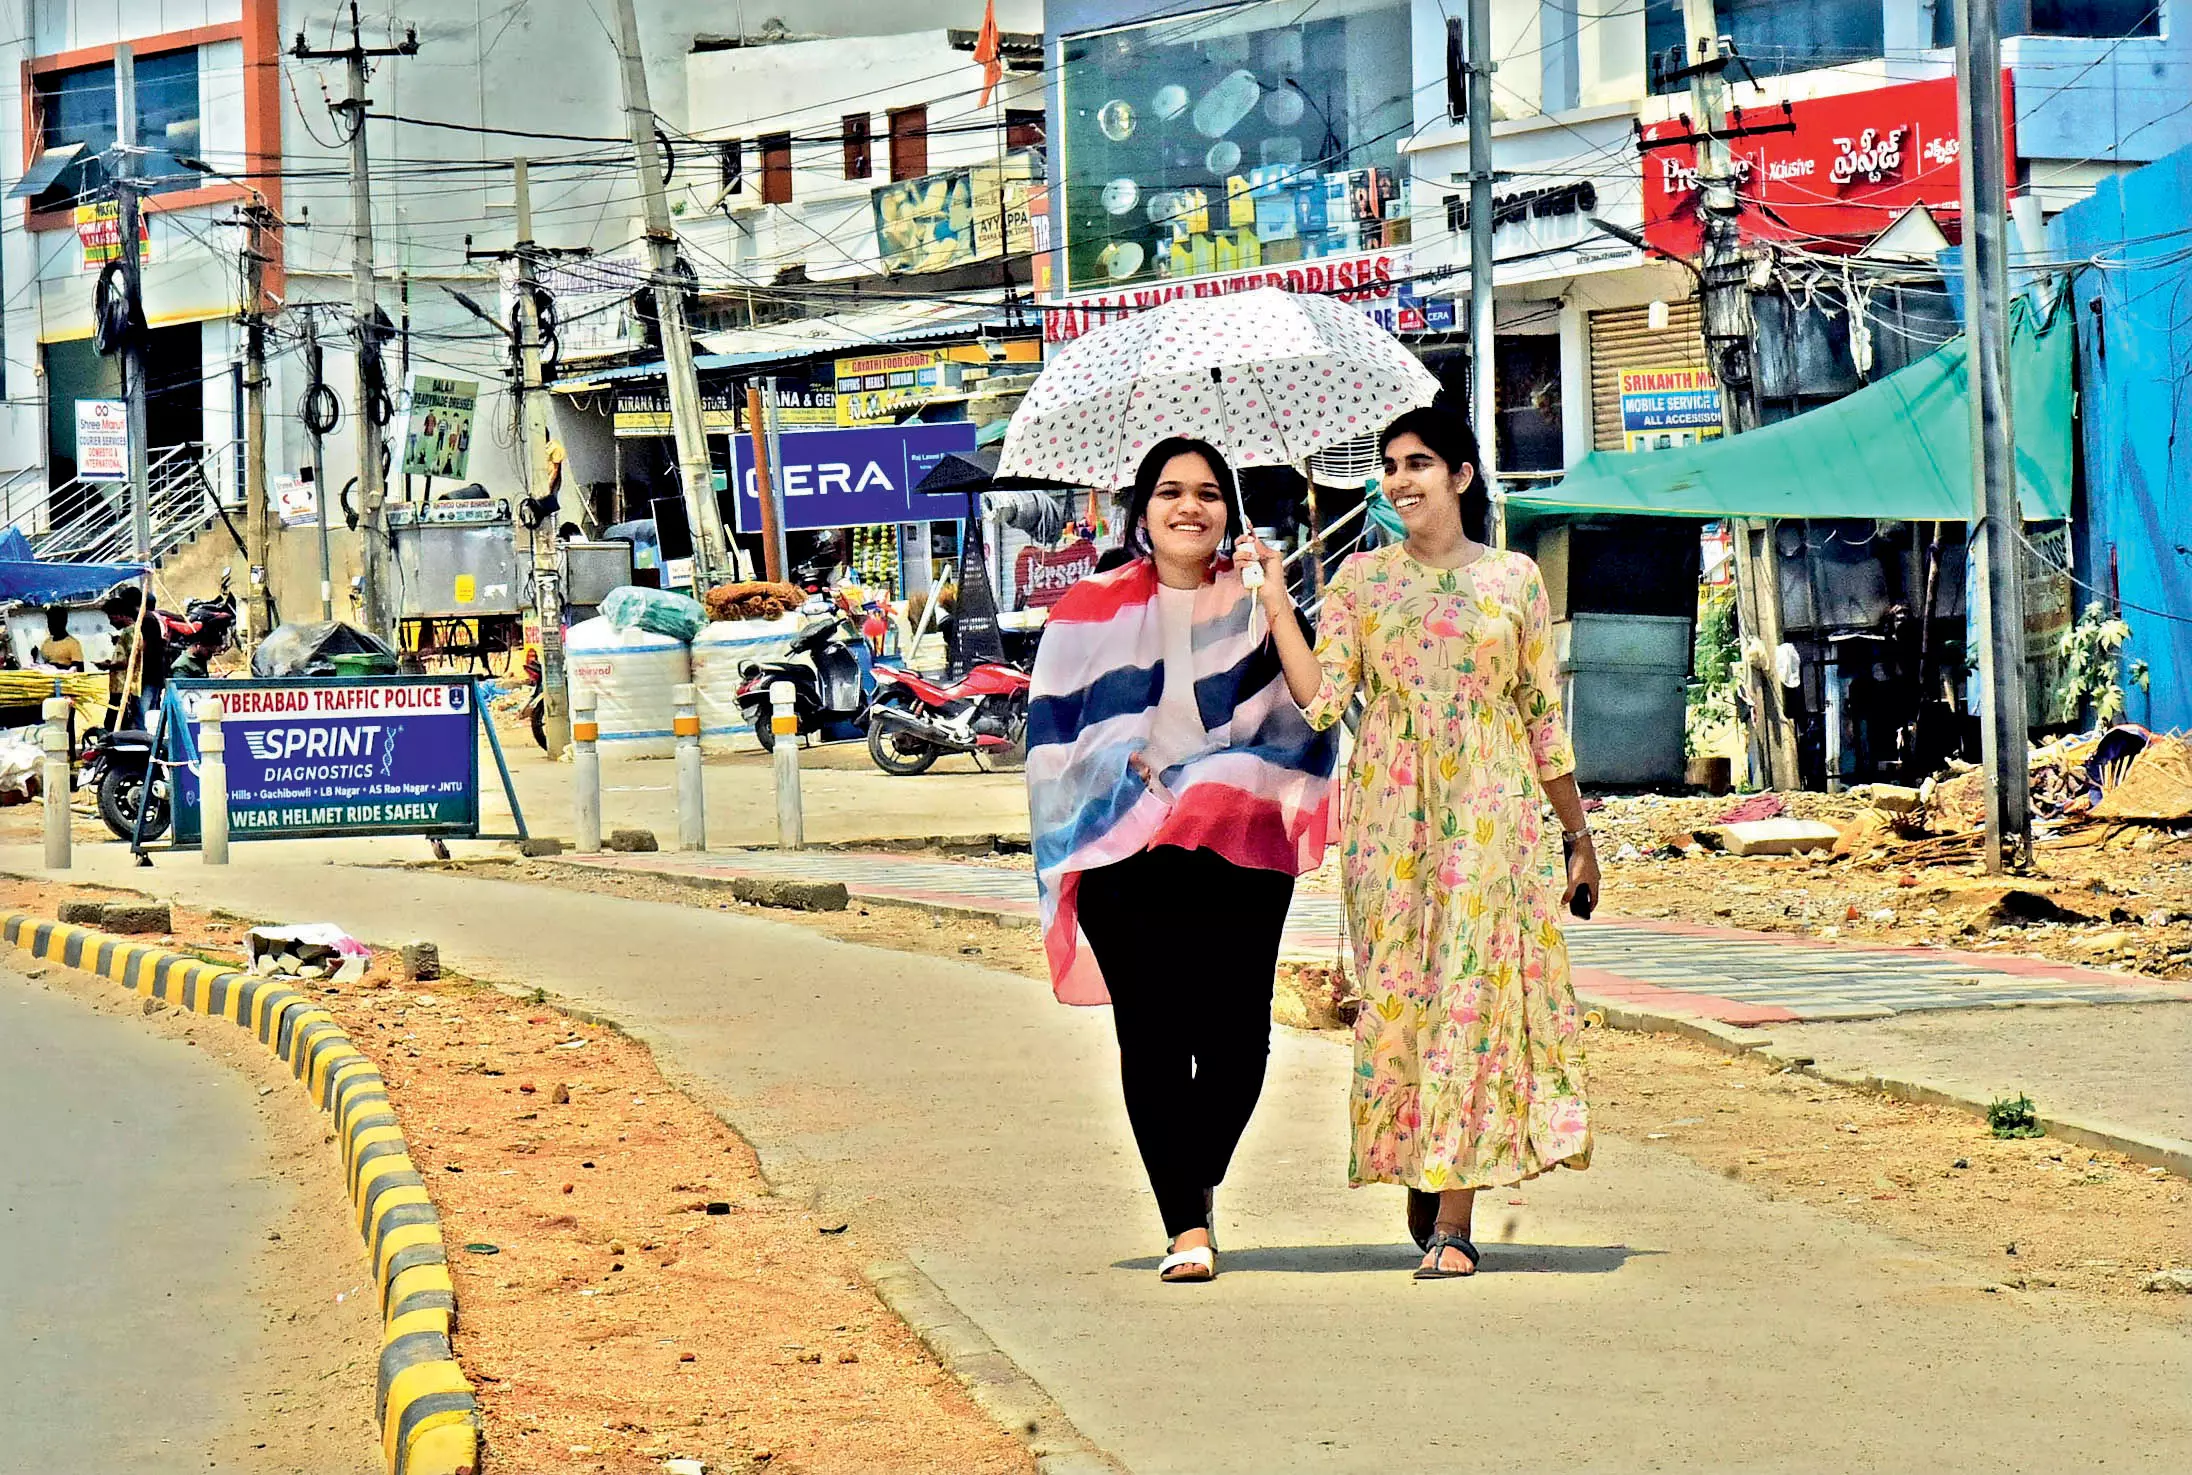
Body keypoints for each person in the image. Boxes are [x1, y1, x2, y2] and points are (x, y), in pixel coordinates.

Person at [1247, 406, 1600, 1280]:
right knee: (1405, 996)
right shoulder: (1360, 582)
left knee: (1472, 999)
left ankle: (1454, 1213)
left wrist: (1577, 835)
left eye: (1419, 464)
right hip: (1390, 820)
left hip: (1494, 814)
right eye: (1390, 466)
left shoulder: (1515, 580)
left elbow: (1540, 721)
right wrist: (1272, 603)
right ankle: (1428, 1153)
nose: (1400, 480)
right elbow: (1324, 701)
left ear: (1463, 477)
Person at [1026, 437, 1336, 1284]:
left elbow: (1311, 719)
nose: (1189, 506)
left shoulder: (1253, 604)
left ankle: (1188, 1176)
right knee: (1156, 1039)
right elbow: (1054, 738)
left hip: (1237, 842)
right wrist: (1112, 763)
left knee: (1239, 1047)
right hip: (1126, 849)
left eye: (1207, 492)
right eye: (1170, 491)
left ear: (1228, 512)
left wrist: (1275, 601)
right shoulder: (1087, 608)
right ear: (1143, 510)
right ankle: (1185, 1226)